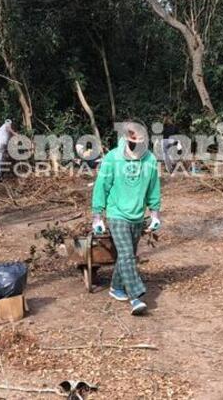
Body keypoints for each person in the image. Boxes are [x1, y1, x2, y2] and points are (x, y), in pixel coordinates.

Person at [91, 122, 161, 315]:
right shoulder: (112, 158)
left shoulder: (150, 160)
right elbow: (101, 187)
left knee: (125, 257)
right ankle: (135, 297)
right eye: (132, 141)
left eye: (140, 141)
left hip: (137, 215)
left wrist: (155, 214)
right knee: (128, 254)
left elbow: (153, 188)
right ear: (125, 139)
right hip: (116, 214)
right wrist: (97, 216)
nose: (136, 145)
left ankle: (115, 287)